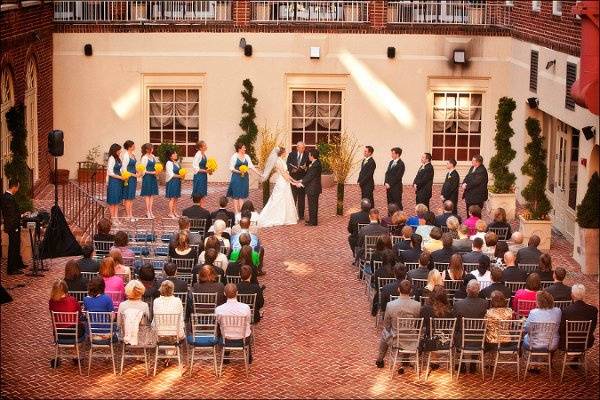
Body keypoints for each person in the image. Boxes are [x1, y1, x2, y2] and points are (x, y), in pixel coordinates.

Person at [375, 280, 421, 370]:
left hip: (396, 339)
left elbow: (386, 324)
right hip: (411, 338)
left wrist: (391, 329)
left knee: (385, 332)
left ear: (398, 289)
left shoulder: (390, 305)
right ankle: (405, 359)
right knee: (409, 331)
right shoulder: (417, 305)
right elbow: (416, 322)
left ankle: (380, 359)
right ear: (411, 291)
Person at [258, 147, 299, 228]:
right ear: (282, 153)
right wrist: (292, 183)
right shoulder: (277, 161)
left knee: (286, 198)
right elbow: (283, 174)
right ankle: (276, 217)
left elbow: (286, 173)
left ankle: (286, 217)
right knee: (278, 199)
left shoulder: (282, 160)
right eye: (285, 152)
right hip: (282, 182)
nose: (286, 153)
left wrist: (294, 180)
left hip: (285, 182)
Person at [215, 283, 253, 362]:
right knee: (248, 329)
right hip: (243, 339)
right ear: (237, 293)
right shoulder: (245, 307)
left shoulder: (219, 309)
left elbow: (218, 322)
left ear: (224, 294)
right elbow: (248, 321)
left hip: (226, 339)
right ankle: (249, 356)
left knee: (221, 328)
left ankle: (226, 355)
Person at [117, 280, 155, 347]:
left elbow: (119, 323)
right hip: (142, 337)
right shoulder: (144, 305)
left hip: (126, 335)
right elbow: (147, 323)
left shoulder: (122, 305)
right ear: (141, 291)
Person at [559, 284, 598, 351]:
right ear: (584, 295)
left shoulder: (565, 310)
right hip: (586, 342)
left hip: (567, 343)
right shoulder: (593, 310)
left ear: (572, 295)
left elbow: (561, 329)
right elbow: (592, 328)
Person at [523, 291, 561, 357]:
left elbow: (527, 329)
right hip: (552, 344)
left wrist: (525, 322)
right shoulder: (558, 311)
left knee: (525, 336)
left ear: (539, 302)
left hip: (534, 344)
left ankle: (530, 358)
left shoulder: (533, 312)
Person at [227, 142, 261, 214]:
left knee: (241, 195)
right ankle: (236, 212)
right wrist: (239, 171)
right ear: (239, 149)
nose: (245, 149)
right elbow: (231, 168)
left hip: (244, 178)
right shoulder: (234, 156)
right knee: (236, 195)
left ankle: (241, 212)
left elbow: (251, 166)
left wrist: (259, 173)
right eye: (243, 148)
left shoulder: (247, 156)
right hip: (236, 177)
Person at [1, 178, 25, 274]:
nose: (18, 189)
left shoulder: (5, 196)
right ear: (14, 187)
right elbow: (11, 214)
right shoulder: (8, 198)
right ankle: (11, 269)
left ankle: (18, 263)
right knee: (13, 246)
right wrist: (21, 216)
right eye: (18, 187)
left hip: (13, 225)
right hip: (12, 226)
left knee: (17, 244)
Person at [420, 285, 455, 351]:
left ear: (431, 295)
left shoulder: (425, 309)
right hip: (446, 341)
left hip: (430, 342)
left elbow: (421, 326)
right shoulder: (449, 310)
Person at [296, 148, 322, 226]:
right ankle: (312, 220)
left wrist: (301, 183)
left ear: (312, 156)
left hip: (313, 188)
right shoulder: (315, 163)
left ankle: (313, 222)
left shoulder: (315, 165)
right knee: (312, 205)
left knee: (313, 205)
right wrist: (301, 180)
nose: (308, 156)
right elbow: (308, 175)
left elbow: (310, 176)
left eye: (309, 155)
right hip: (312, 188)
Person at [287, 141, 309, 220]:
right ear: (297, 147)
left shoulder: (307, 155)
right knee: (293, 197)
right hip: (293, 179)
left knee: (301, 198)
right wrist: (293, 170)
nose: (303, 149)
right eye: (301, 148)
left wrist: (305, 168)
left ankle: (301, 215)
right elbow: (288, 164)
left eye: (304, 148)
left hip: (302, 179)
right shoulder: (291, 154)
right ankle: (292, 214)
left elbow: (309, 166)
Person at [120, 140, 139, 222]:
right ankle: (128, 216)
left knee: (131, 197)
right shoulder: (126, 155)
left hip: (133, 178)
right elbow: (124, 169)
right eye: (133, 145)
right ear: (129, 147)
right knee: (128, 197)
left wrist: (138, 171)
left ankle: (131, 214)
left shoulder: (133, 155)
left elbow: (134, 166)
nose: (135, 146)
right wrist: (134, 175)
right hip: (128, 178)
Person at [140, 143, 159, 219]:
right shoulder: (144, 158)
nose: (152, 150)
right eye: (151, 148)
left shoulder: (153, 156)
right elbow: (143, 170)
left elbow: (156, 166)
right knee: (147, 195)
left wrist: (156, 171)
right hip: (147, 177)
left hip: (153, 177)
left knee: (152, 195)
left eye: (152, 148)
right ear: (147, 149)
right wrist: (152, 172)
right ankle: (147, 212)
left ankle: (151, 211)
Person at [106, 144, 124, 222]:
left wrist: (123, 175)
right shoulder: (111, 158)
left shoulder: (118, 158)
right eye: (119, 150)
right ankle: (113, 218)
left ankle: (116, 217)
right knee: (112, 200)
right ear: (115, 150)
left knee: (116, 200)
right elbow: (110, 172)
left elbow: (120, 169)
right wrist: (120, 177)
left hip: (119, 181)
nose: (120, 151)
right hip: (113, 181)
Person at [165, 149, 184, 219]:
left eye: (176, 153)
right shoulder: (169, 163)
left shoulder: (176, 162)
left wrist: (182, 176)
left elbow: (180, 172)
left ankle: (174, 211)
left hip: (177, 182)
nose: (176, 155)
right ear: (170, 156)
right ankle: (170, 213)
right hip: (172, 182)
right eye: (174, 154)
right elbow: (171, 174)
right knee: (172, 198)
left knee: (176, 198)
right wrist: (180, 176)